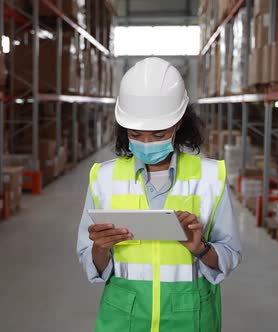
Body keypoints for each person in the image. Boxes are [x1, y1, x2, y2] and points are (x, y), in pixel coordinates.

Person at [76, 57, 242, 332]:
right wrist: (100, 247)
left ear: (178, 123)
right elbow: (90, 260)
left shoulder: (210, 177)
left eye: (157, 133)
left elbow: (229, 254)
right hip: (124, 318)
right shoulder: (103, 178)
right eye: (136, 133)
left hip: (189, 318)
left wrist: (200, 248)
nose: (146, 142)